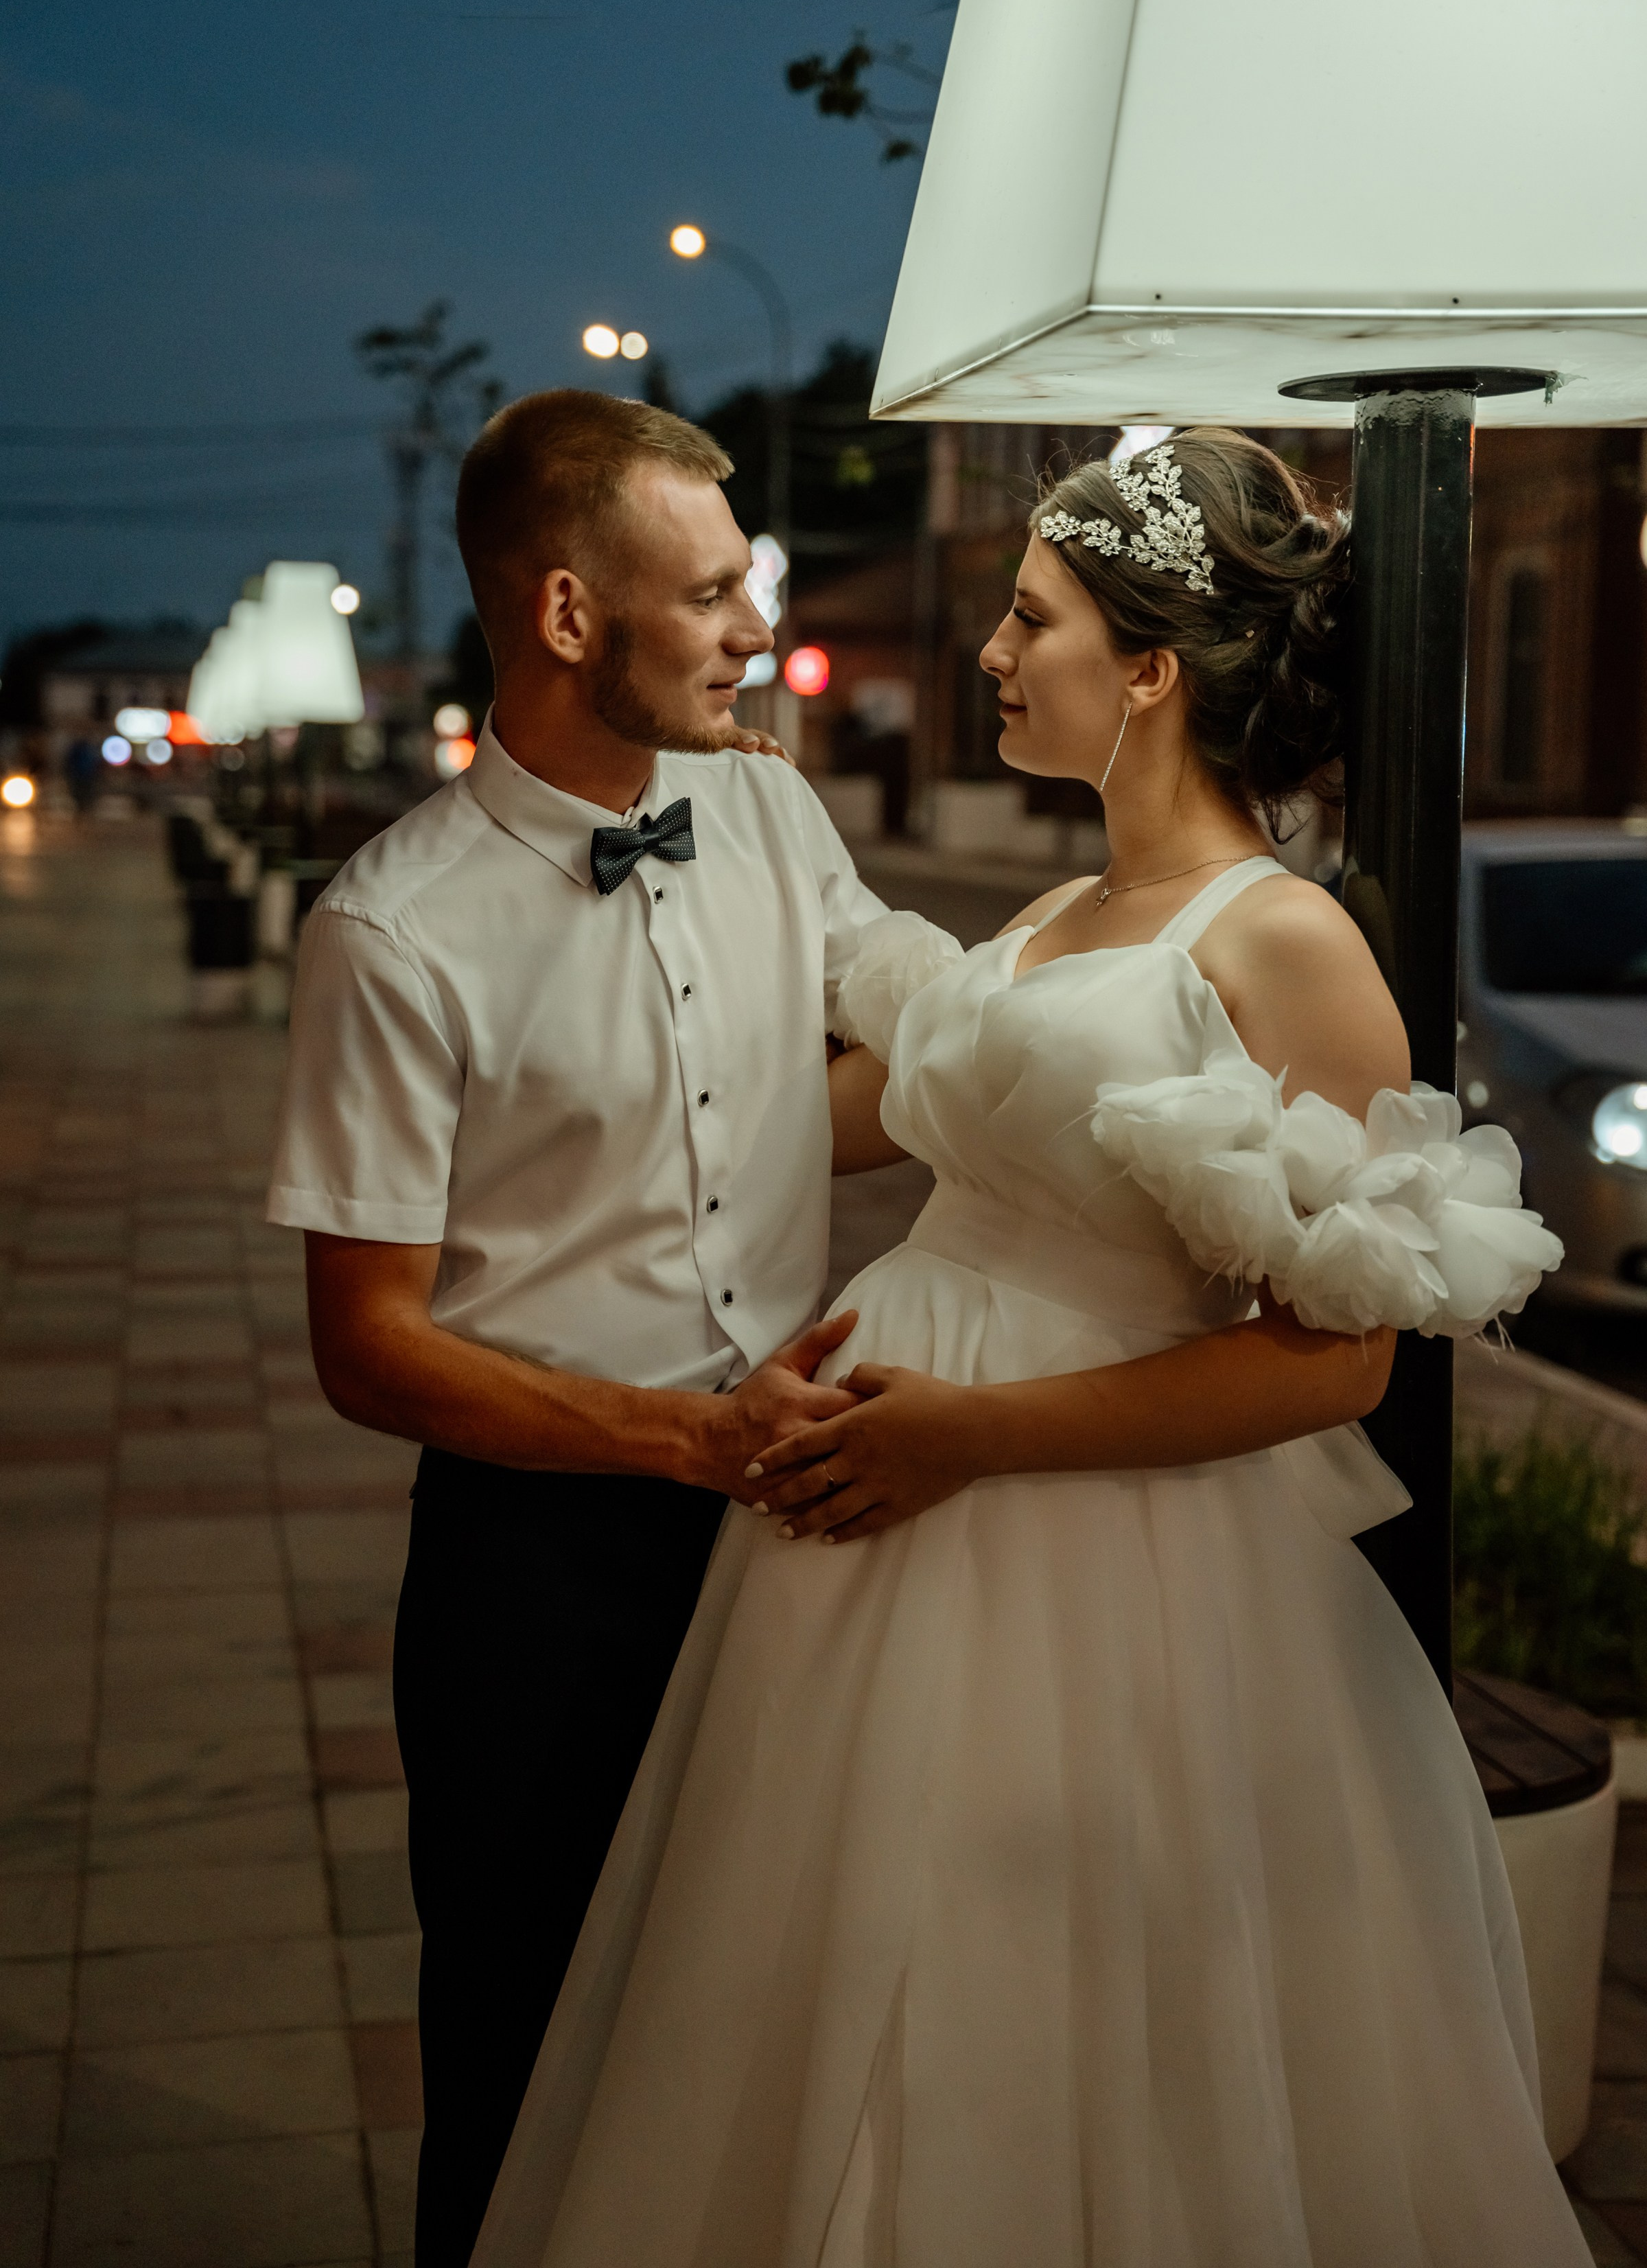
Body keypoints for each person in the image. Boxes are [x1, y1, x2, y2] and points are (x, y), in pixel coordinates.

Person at [472, 430, 1585, 2267]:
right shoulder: (1061, 911)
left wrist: (969, 1437)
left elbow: (1339, 1367)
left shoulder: (1287, 941)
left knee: (1047, 1980)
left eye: (1030, 617)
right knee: (828, 1969)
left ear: (1149, 670)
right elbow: (845, 1107)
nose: (990, 649)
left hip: (1095, 1556)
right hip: (871, 1532)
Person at [265, 391, 889, 2266]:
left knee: (776, 2021)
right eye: (706, 594)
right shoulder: (391, 933)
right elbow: (367, 1344)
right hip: (539, 1572)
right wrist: (683, 1442)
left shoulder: (773, 808)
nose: (752, 630)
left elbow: (876, 1072)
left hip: (802, 1529)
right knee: (534, 2054)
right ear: (561, 615)